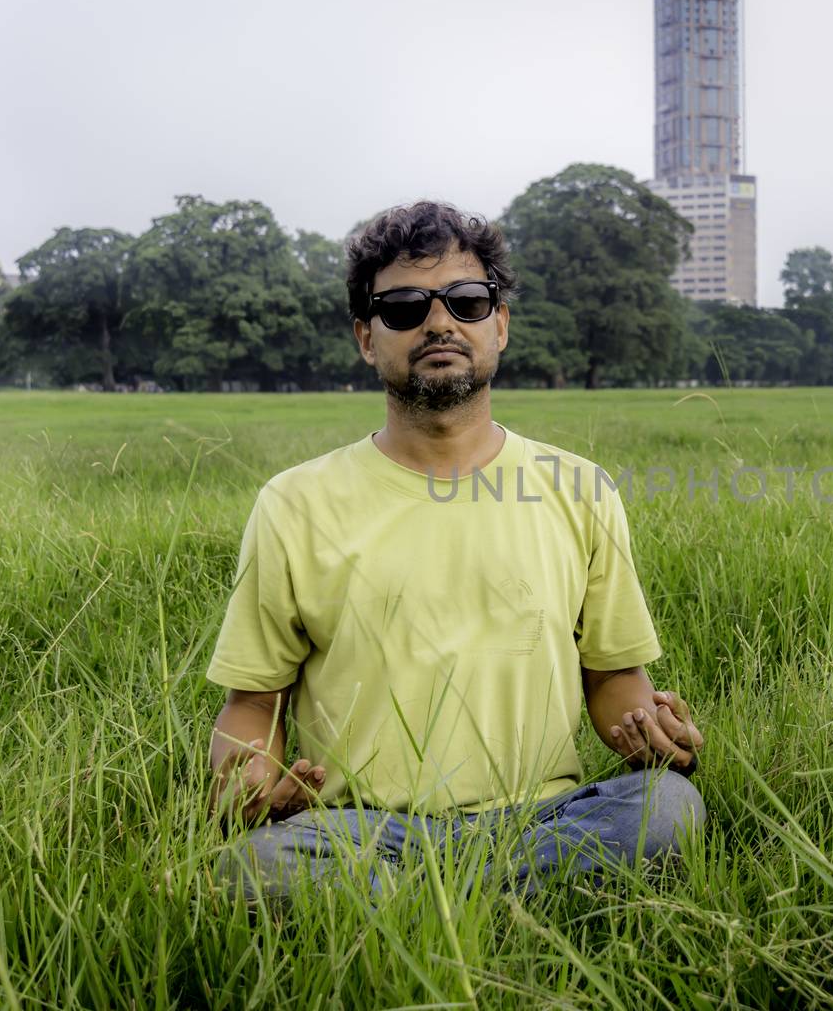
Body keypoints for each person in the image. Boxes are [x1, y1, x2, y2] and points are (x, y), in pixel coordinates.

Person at [206, 200, 705, 900]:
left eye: (466, 301)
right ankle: (508, 908)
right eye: (405, 308)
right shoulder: (295, 502)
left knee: (666, 810)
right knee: (261, 866)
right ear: (365, 336)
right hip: (360, 826)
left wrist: (651, 731)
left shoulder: (579, 489)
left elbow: (613, 682)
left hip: (541, 817)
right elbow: (252, 706)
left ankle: (424, 913)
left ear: (498, 324)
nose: (440, 322)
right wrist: (252, 775)